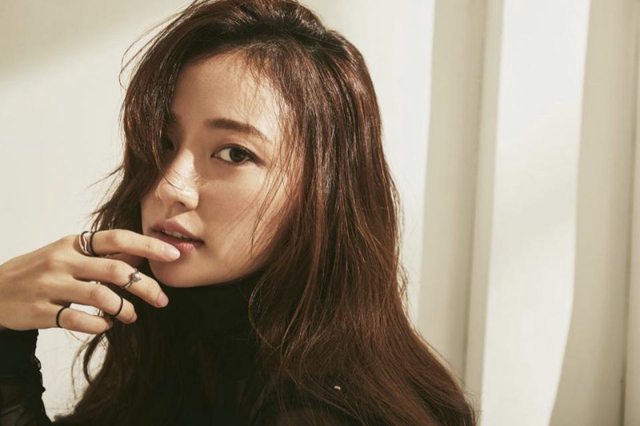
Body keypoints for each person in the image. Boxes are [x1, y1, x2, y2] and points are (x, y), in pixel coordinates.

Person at [0, 0, 478, 424]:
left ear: (321, 192)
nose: (169, 186)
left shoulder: (320, 413)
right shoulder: (174, 342)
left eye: (233, 153)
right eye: (164, 142)